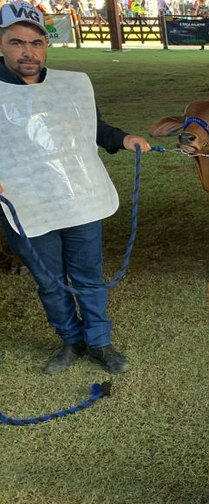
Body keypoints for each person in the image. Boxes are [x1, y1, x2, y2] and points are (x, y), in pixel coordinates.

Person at [0, 1, 151, 373]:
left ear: (46, 46)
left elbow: (92, 127)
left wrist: (123, 137)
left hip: (77, 197)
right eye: (17, 42)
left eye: (37, 42)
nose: (28, 51)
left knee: (88, 275)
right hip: (27, 203)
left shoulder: (70, 86)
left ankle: (99, 341)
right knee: (50, 280)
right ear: (1, 45)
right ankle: (70, 340)